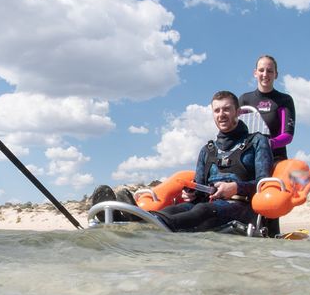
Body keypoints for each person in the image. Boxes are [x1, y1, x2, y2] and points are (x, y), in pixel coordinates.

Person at [91, 91, 272, 233]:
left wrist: (235, 188)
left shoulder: (257, 142)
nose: (221, 114)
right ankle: (130, 221)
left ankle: (136, 224)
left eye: (226, 109)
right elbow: (199, 190)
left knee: (202, 211)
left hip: (239, 207)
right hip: (205, 204)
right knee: (174, 210)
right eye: (217, 110)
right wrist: (192, 193)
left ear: (237, 112)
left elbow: (264, 184)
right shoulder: (207, 150)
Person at [239, 54, 295, 235]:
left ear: (276, 74)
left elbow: (287, 135)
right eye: (261, 70)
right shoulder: (245, 100)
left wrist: (264, 144)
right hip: (250, 160)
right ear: (255, 73)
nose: (265, 74)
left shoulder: (284, 100)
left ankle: (272, 243)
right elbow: (237, 132)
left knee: (270, 208)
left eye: (270, 70)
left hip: (275, 160)